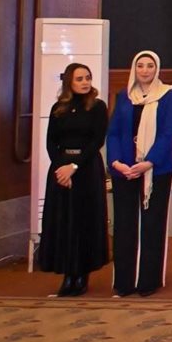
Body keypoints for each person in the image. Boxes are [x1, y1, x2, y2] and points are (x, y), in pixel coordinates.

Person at [106, 51, 172, 297]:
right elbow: (114, 133)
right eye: (140, 66)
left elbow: (169, 133)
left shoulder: (168, 94)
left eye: (150, 66)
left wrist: (148, 162)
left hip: (156, 171)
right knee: (125, 225)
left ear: (157, 69)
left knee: (152, 224)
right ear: (134, 69)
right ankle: (124, 281)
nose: (145, 70)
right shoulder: (125, 96)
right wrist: (116, 162)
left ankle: (148, 279)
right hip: (125, 171)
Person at [37, 63, 109, 296]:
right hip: (61, 171)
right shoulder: (59, 108)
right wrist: (62, 168)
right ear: (69, 82)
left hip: (86, 169)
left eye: (87, 78)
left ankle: (81, 275)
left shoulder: (97, 106)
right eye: (79, 79)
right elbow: (51, 142)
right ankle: (68, 275)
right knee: (64, 222)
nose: (85, 82)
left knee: (84, 221)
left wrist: (74, 167)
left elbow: (97, 140)